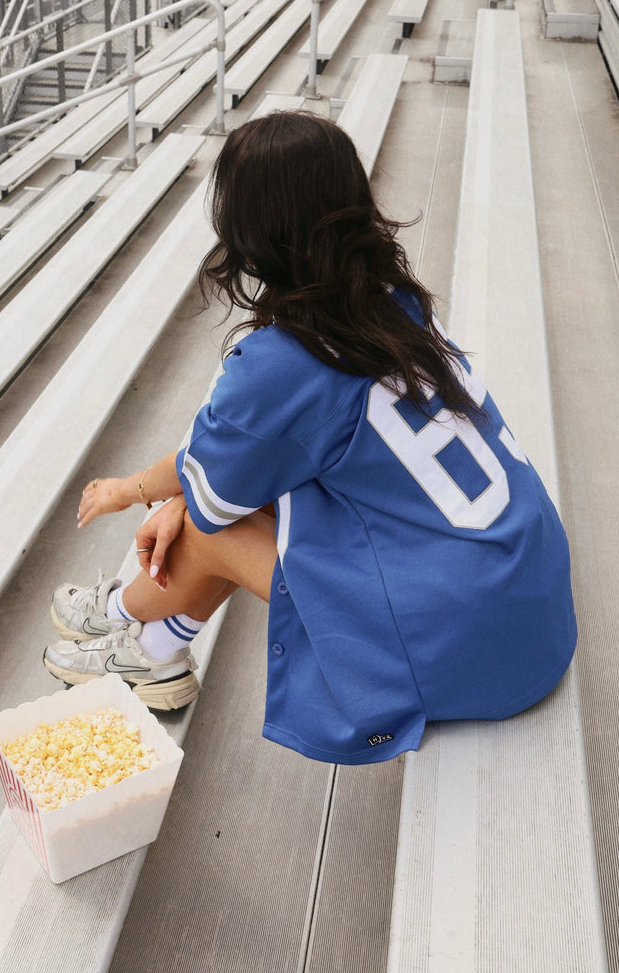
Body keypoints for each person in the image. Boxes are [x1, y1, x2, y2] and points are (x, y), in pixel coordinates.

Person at [44, 111, 577, 765]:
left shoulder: (283, 360)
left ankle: (134, 630)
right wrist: (183, 495)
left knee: (213, 525)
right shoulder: (392, 299)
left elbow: (215, 490)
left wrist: (132, 491)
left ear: (251, 231)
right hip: (525, 596)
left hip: (468, 642)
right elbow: (252, 462)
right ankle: (147, 639)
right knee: (232, 498)